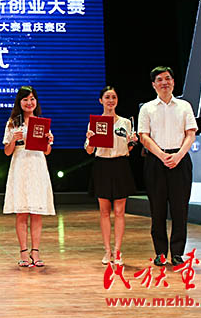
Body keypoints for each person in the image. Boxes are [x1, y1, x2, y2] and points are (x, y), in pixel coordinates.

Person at [138, 66, 198, 267]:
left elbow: (191, 134)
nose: (164, 82)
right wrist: (162, 155)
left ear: (173, 82)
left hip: (180, 160)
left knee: (180, 209)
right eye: (160, 79)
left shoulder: (184, 106)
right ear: (153, 85)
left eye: (167, 78)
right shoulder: (147, 108)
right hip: (156, 161)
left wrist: (178, 155)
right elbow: (144, 136)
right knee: (157, 210)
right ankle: (161, 253)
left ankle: (178, 253)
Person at [2, 86, 55, 267]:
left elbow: (47, 151)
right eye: (25, 99)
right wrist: (13, 139)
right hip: (20, 165)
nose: (29, 102)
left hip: (37, 165)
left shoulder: (41, 123)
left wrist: (48, 141)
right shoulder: (12, 123)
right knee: (22, 211)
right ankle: (24, 252)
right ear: (19, 102)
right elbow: (7, 151)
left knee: (36, 212)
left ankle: (36, 252)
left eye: (32, 99)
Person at [84, 86, 137, 266]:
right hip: (102, 166)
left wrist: (133, 142)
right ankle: (107, 251)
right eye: (107, 97)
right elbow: (89, 150)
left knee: (120, 212)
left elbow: (127, 148)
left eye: (113, 97)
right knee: (104, 211)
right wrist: (90, 139)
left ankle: (118, 251)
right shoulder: (95, 123)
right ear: (101, 100)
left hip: (120, 165)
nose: (110, 101)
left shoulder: (125, 122)